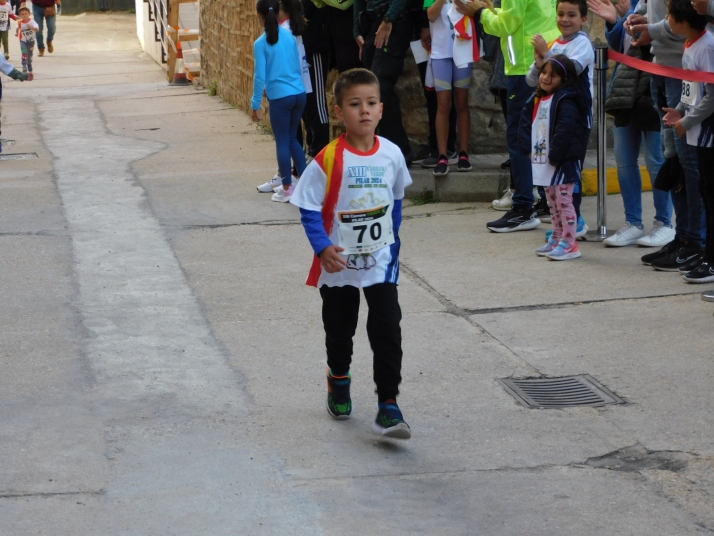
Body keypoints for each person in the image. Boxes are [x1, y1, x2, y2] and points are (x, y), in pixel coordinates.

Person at [290, 68, 413, 439]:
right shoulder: (328, 159)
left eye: (371, 103)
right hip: (339, 262)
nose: (364, 111)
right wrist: (322, 246)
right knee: (340, 329)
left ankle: (388, 404)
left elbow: (396, 202)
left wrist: (392, 242)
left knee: (387, 328)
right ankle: (338, 378)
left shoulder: (391, 154)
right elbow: (308, 206)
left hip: (379, 261)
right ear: (339, 111)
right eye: (355, 104)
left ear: (381, 109)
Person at [454, 0, 560, 232]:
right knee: (539, 137)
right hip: (542, 61)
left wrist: (480, 13)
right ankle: (544, 201)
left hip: (524, 66)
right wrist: (491, 9)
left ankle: (523, 207)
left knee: (520, 138)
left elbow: (507, 24)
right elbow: (523, 14)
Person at [588, 0, 675, 247]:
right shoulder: (634, 3)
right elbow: (622, 46)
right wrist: (615, 21)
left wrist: (633, 18)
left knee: (656, 162)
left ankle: (664, 223)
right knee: (625, 162)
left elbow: (669, 37)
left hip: (653, 89)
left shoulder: (660, 4)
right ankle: (633, 223)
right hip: (626, 90)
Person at [629, 0, 706, 271]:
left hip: (680, 69)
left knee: (689, 164)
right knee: (673, 160)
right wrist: (637, 19)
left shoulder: (702, 43)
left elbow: (689, 14)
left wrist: (652, 28)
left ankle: (696, 241)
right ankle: (683, 236)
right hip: (662, 65)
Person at [526, 0, 593, 234]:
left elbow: (570, 71)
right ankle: (563, 225)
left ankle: (575, 223)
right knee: (554, 177)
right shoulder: (555, 43)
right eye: (561, 14)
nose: (565, 19)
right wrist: (539, 63)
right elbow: (532, 80)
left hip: (574, 120)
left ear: (583, 19)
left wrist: (547, 54)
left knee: (569, 174)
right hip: (551, 120)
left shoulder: (582, 44)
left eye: (572, 15)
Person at [662, 0, 714, 282]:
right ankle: (707, 255)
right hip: (696, 131)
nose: (666, 19)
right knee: (705, 191)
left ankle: (710, 258)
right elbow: (690, 89)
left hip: (708, 133)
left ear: (682, 20)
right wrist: (679, 112)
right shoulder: (691, 44)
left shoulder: (707, 46)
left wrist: (687, 121)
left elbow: (712, 96)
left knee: (710, 194)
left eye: (669, 15)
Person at [522, 55, 589, 259]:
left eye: (553, 75)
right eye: (544, 72)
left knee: (564, 200)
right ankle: (557, 237)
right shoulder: (538, 98)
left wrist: (556, 156)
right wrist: (527, 148)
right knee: (552, 201)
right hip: (546, 162)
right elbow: (527, 124)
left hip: (562, 161)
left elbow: (565, 130)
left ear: (565, 79)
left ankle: (570, 243)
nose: (546, 78)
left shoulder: (566, 100)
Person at [251, 0, 307, 203]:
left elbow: (260, 77)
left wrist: (255, 104)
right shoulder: (290, 37)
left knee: (283, 141)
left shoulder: (261, 43)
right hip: (298, 94)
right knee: (292, 139)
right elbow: (298, 66)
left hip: (280, 97)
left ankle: (286, 188)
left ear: (260, 16)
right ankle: (307, 184)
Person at [354, 0, 414, 163]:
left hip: (394, 23)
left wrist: (389, 19)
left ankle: (399, 150)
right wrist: (357, 31)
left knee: (380, 83)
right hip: (372, 23)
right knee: (370, 86)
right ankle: (381, 147)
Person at [424, 0, 472, 176]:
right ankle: (442, 155)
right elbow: (431, 15)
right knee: (443, 104)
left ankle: (464, 154)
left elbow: (475, 11)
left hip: (463, 50)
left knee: (462, 102)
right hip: (440, 53)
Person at [301, 0, 331, 160]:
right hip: (301, 48)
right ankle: (311, 147)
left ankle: (320, 151)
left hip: (314, 47)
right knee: (305, 104)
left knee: (316, 103)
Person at [16, 7, 37, 74]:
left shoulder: (32, 22)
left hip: (31, 41)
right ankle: (24, 65)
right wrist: (16, 33)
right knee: (24, 53)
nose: (24, 15)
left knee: (29, 54)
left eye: (26, 14)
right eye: (22, 14)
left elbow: (37, 29)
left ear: (29, 14)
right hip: (22, 40)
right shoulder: (19, 22)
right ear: (20, 15)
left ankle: (29, 63)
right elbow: (17, 28)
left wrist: (31, 27)